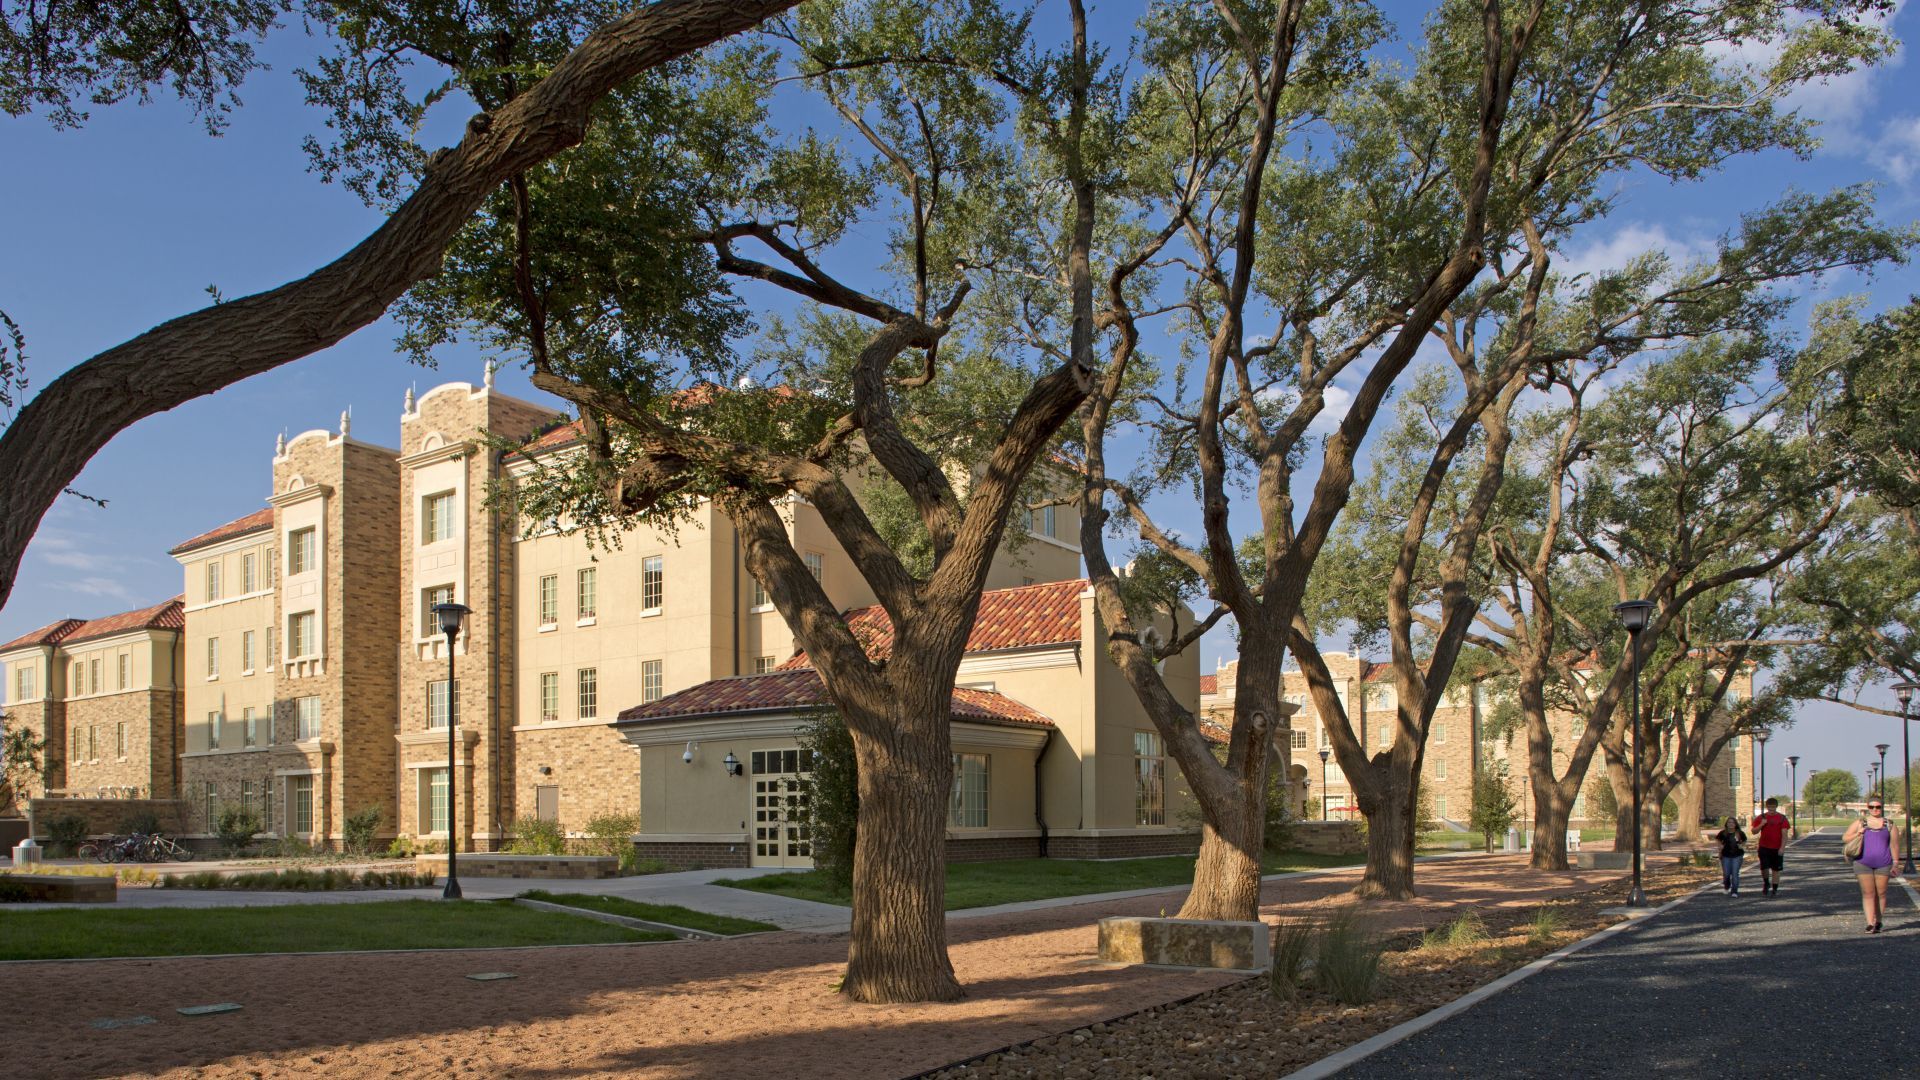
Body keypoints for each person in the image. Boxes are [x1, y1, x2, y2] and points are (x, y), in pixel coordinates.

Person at [1843, 800, 1898, 934]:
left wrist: (1896, 863)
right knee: (1868, 893)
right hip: (1862, 863)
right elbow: (1845, 838)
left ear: (1881, 807)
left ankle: (1878, 921)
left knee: (1881, 893)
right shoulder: (1860, 823)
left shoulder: (1889, 825)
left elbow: (1894, 845)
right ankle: (1869, 923)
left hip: (1884, 863)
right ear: (1868, 808)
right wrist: (1858, 833)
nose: (1875, 809)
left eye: (1878, 807)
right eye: (1872, 807)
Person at [1749, 797, 1793, 896]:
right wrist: (1761, 824)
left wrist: (1782, 848)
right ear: (1766, 807)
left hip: (1776, 848)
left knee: (1775, 870)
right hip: (1764, 847)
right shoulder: (1762, 817)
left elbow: (1784, 835)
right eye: (1769, 808)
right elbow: (1754, 831)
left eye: (1773, 807)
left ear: (1776, 807)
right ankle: (1766, 883)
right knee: (1764, 868)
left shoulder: (1782, 818)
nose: (1771, 810)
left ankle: (1774, 889)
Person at [1713, 815, 1747, 896]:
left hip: (1737, 855)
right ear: (1726, 824)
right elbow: (1717, 839)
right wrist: (1720, 846)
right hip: (1726, 855)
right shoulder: (1723, 833)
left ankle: (1734, 891)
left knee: (1735, 873)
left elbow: (1744, 840)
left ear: (1735, 824)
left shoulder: (1739, 833)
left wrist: (1742, 845)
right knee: (1727, 873)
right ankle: (1726, 886)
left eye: (1732, 822)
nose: (1731, 824)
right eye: (1729, 822)